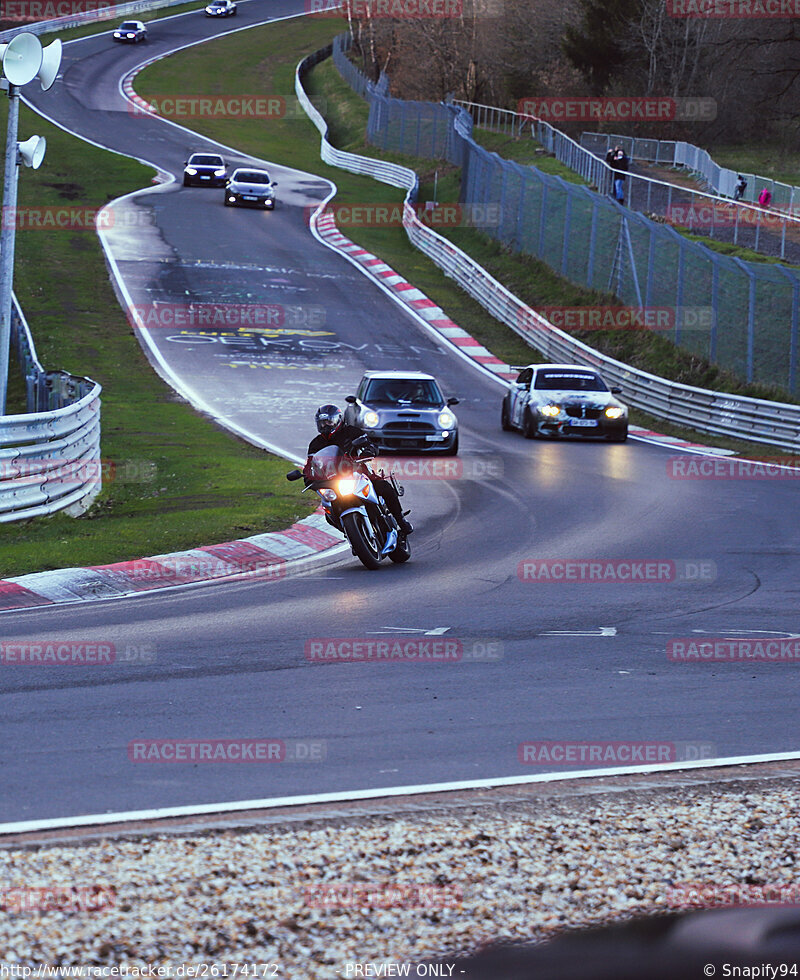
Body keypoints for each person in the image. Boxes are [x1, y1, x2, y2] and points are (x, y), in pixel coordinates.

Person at [306, 405, 413, 535]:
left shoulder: (352, 432)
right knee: (329, 514)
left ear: (339, 420)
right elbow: (311, 464)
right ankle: (351, 534)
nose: (326, 426)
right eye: (322, 423)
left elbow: (369, 444)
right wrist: (307, 476)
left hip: (359, 472)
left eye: (329, 421)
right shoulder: (315, 444)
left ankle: (400, 520)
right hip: (333, 481)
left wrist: (369, 450)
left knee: (384, 487)